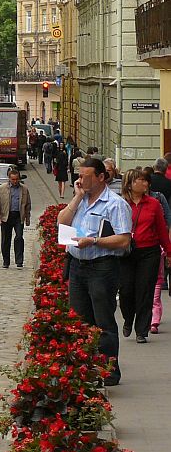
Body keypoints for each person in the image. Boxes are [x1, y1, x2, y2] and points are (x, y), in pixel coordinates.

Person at [57, 157, 133, 386]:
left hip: (102, 267)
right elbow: (62, 222)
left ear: (101, 177)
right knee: (80, 321)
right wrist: (77, 196)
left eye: (86, 176)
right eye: (80, 176)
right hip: (78, 266)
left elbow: (124, 240)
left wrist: (95, 241)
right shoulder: (82, 199)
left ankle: (109, 370)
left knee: (103, 320)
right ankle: (85, 368)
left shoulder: (115, 204)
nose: (81, 180)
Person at [119, 168, 171, 344]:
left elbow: (162, 229)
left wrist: (169, 251)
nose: (146, 183)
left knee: (145, 291)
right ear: (130, 183)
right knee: (126, 290)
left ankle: (142, 330)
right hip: (126, 252)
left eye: (146, 180)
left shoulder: (154, 204)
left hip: (149, 252)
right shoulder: (121, 204)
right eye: (141, 180)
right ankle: (128, 319)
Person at [0, 166, 31, 269]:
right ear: (9, 178)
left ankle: (19, 261)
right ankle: (6, 261)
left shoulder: (24, 189)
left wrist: (27, 218)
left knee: (19, 237)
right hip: (6, 216)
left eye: (16, 179)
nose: (15, 181)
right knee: (6, 240)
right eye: (13, 179)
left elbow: (27, 204)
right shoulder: (2, 188)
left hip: (18, 216)